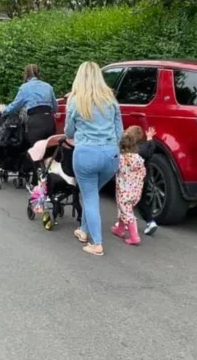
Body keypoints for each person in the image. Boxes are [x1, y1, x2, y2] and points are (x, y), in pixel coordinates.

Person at [64, 61, 123, 256]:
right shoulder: (111, 100)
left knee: (89, 196)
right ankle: (83, 231)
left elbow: (69, 132)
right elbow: (119, 132)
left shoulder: (75, 101)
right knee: (92, 194)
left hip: (86, 154)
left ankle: (97, 243)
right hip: (110, 155)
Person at [2, 64, 59, 146]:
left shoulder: (25, 87)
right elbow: (55, 108)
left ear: (26, 74)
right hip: (49, 123)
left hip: (35, 123)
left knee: (32, 151)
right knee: (47, 151)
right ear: (39, 73)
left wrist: (3, 109)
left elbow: (15, 106)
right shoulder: (48, 87)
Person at [111, 126, 148, 245]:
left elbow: (115, 170)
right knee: (125, 209)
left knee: (126, 212)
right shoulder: (139, 159)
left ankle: (134, 236)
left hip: (124, 191)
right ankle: (120, 229)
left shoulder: (121, 159)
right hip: (136, 191)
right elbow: (143, 173)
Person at [136, 127, 159, 235]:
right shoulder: (146, 149)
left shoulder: (133, 150)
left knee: (127, 202)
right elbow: (151, 147)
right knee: (143, 201)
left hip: (132, 181)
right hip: (144, 178)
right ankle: (150, 221)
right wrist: (150, 137)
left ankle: (125, 223)